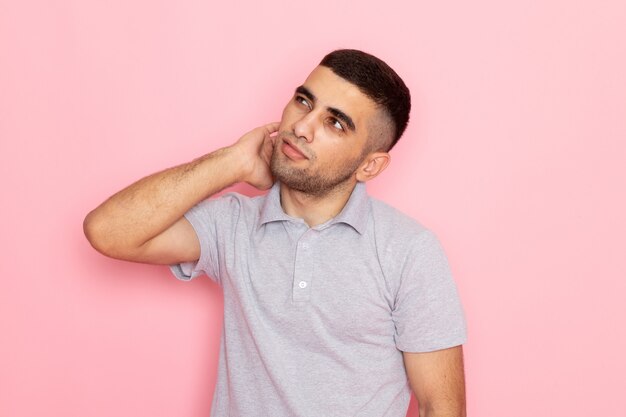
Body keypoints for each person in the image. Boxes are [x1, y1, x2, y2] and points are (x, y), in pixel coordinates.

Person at [84, 49, 467, 417]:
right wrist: (231, 162)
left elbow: (442, 407)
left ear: (370, 166)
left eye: (334, 122)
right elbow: (108, 231)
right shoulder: (232, 226)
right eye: (303, 101)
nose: (301, 127)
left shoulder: (409, 251)